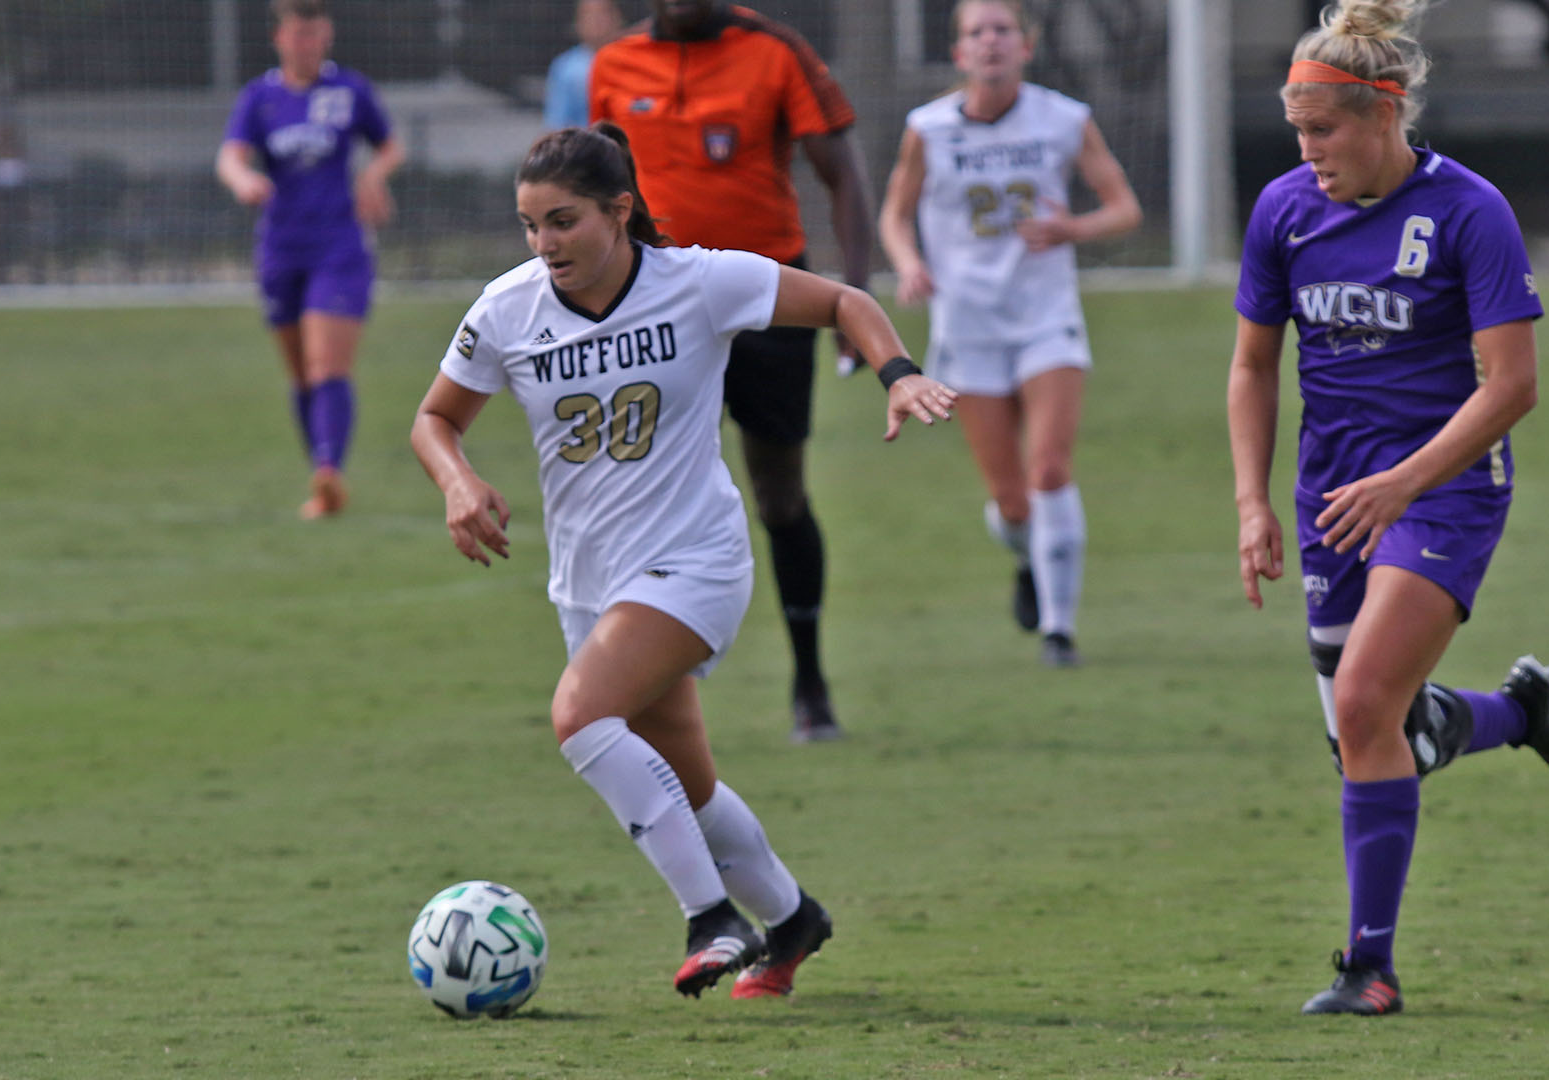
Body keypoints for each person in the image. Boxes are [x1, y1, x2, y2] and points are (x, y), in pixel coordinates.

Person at [410, 123, 955, 999]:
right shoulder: (507, 308)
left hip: (695, 560)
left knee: (580, 717)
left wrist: (899, 372)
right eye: (530, 225)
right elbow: (434, 420)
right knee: (688, 789)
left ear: (620, 211)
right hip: (588, 581)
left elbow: (844, 301)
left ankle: (711, 918)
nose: (545, 244)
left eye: (564, 221)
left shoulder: (700, 281)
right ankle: (792, 920)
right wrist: (458, 483)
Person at [1228, 0, 1549, 1016]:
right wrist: (1253, 503)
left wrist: (1407, 482)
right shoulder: (1285, 210)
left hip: (1446, 489)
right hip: (1333, 494)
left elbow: (1512, 386)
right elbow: (1253, 366)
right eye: (1297, 131)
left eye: (1322, 130)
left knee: (1363, 707)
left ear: (1382, 114)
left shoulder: (1470, 211)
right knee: (1373, 735)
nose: (1306, 151)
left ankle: (1368, 968)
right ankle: (1516, 713)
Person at [588, 0, 874, 741]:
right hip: (657, 311)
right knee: (645, 495)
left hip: (765, 301)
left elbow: (842, 174)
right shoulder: (614, 64)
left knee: (780, 495)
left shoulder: (774, 50)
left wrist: (853, 296)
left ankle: (809, 680)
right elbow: (595, 195)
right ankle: (648, 690)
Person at [878, 0, 1141, 668]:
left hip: (1045, 316)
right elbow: (895, 215)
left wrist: (1071, 229)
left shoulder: (1064, 119)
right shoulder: (928, 128)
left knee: (1049, 468)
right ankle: (1030, 559)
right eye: (976, 33)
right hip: (968, 325)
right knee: (1013, 502)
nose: (989, 42)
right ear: (959, 52)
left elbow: (1124, 209)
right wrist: (909, 265)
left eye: (1002, 30)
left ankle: (1059, 631)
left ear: (1026, 45)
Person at [217, 0, 404, 519]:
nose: (308, 45)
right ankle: (323, 479)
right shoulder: (260, 97)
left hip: (339, 247)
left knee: (326, 365)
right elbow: (230, 156)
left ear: (328, 36)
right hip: (280, 250)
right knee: (301, 374)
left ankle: (329, 470)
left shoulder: (349, 91)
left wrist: (372, 176)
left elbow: (390, 146)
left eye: (316, 34)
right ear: (280, 39)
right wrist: (244, 180)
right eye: (299, 35)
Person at [544, 0, 625, 131]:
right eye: (588, 14)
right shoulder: (565, 67)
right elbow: (557, 124)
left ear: (618, 18)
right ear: (577, 23)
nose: (596, 20)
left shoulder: (633, 61)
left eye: (603, 13)